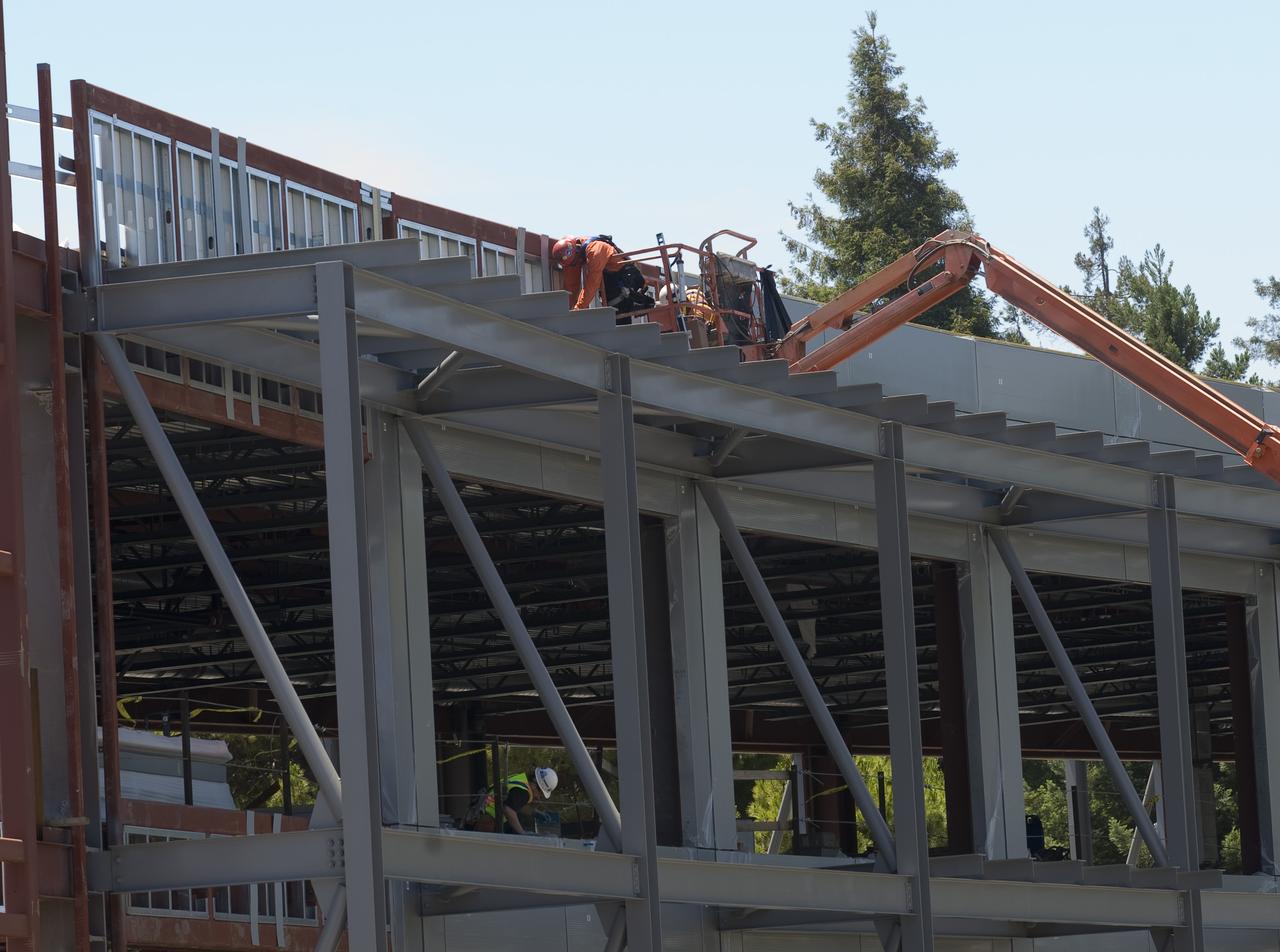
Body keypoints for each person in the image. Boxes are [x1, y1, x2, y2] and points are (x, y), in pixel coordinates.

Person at [552, 235, 653, 313]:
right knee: (613, 305)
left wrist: (578, 309)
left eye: (575, 262)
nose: (575, 264)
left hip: (626, 276)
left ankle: (644, 302)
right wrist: (568, 310)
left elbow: (592, 283)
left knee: (618, 307)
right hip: (611, 277)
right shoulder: (572, 256)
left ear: (577, 250)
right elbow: (571, 285)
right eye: (572, 264)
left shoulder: (594, 250)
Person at [467, 766, 558, 835]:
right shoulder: (524, 792)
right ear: (535, 786)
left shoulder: (521, 781)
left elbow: (514, 804)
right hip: (487, 821)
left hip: (480, 815)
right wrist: (522, 833)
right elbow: (509, 810)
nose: (538, 797)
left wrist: (535, 813)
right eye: (540, 793)